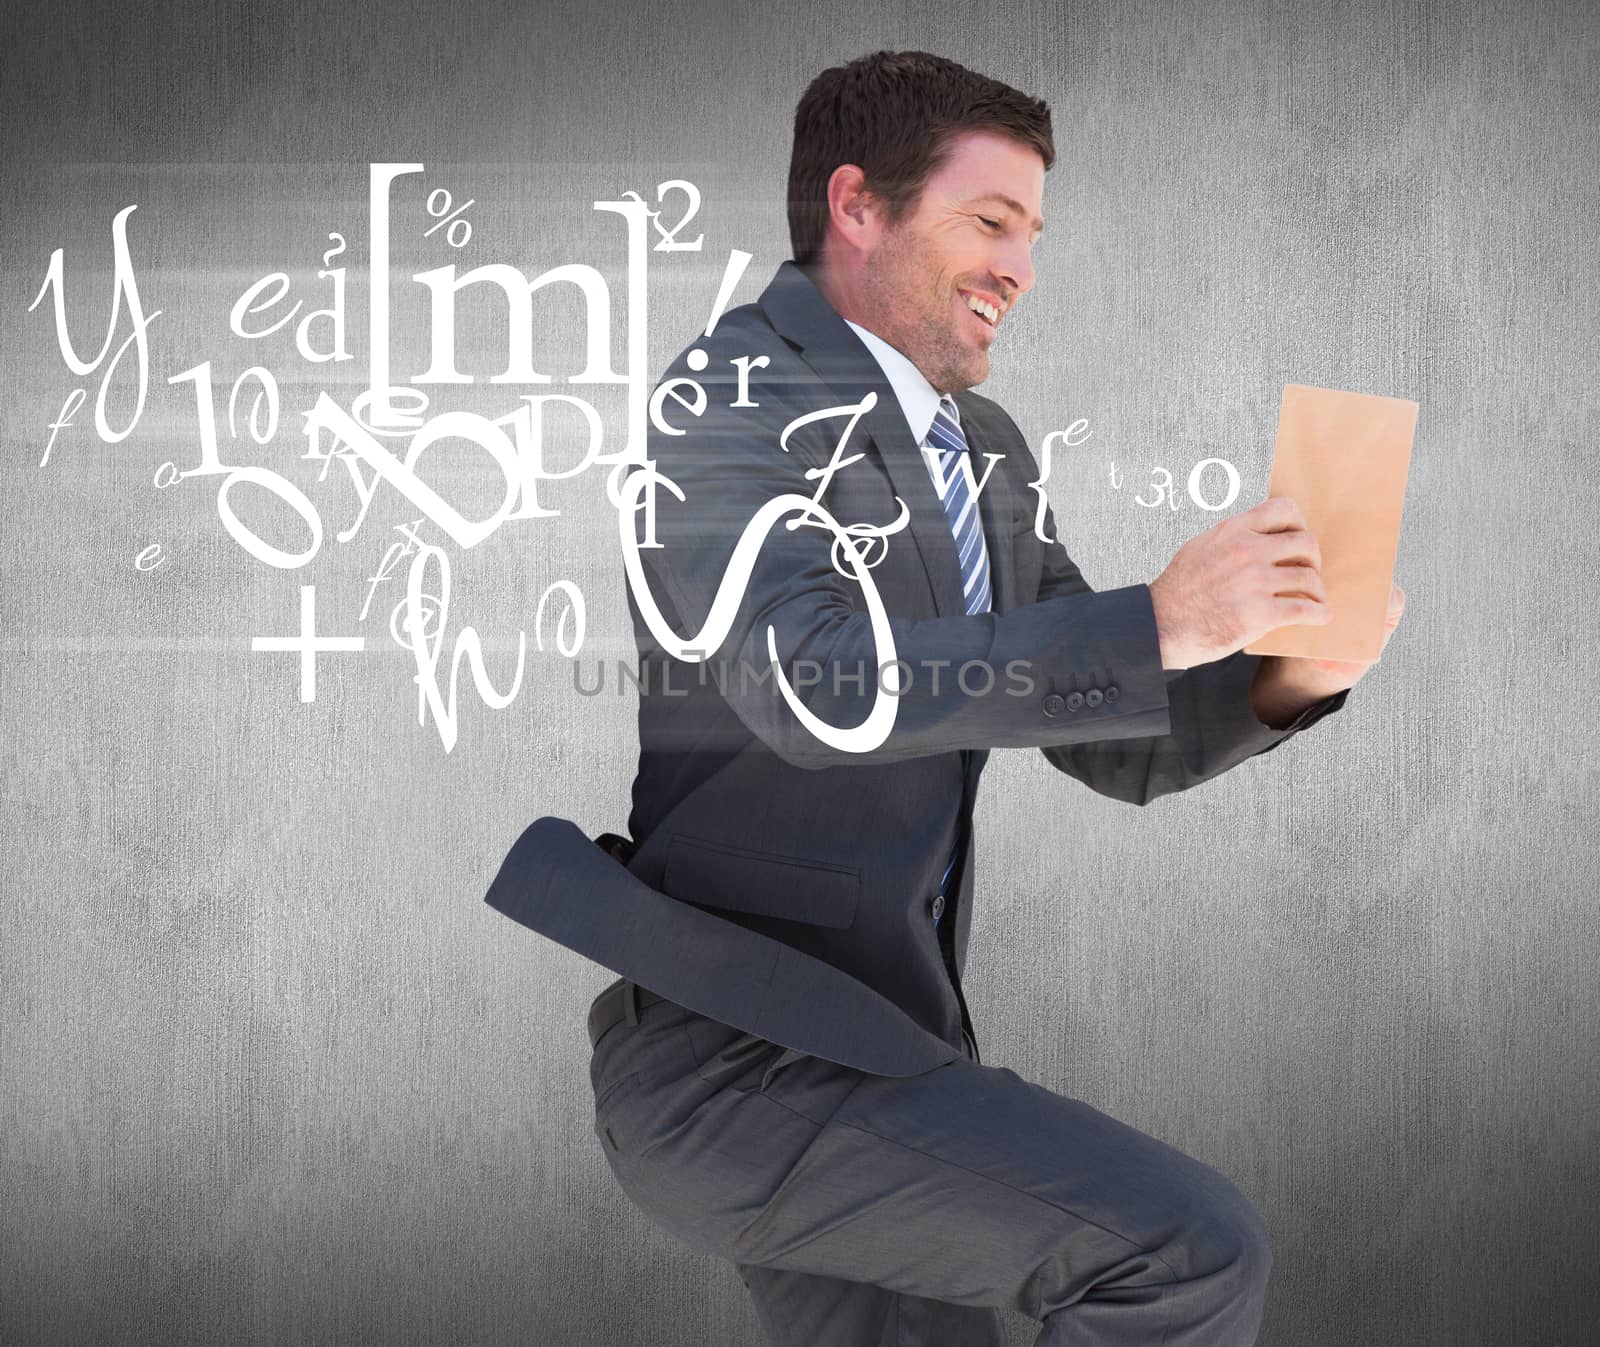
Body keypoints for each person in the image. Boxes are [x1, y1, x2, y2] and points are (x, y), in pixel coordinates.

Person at [485, 48, 1405, 1345]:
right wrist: (1158, 616)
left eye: (1032, 232)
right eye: (991, 220)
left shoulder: (987, 454)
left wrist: (1287, 674)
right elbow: (814, 688)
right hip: (738, 1062)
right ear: (858, 206)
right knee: (1184, 1250)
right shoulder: (730, 406)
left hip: (888, 1055)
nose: (1022, 266)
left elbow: (1112, 737)